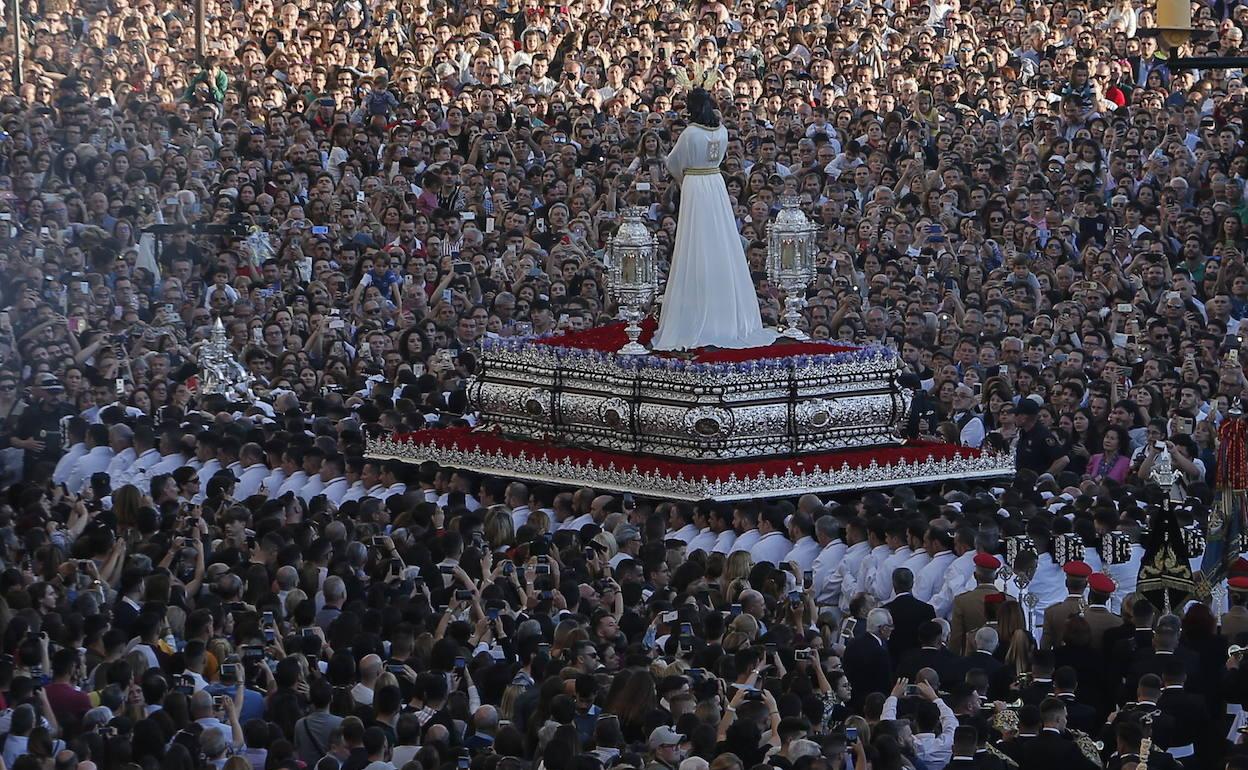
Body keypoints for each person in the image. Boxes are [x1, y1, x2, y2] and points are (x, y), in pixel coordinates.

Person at [650, 86, 776, 352]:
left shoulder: (690, 133)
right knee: (721, 241)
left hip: (696, 184)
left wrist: (683, 179)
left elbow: (674, 164)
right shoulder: (721, 130)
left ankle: (694, 319)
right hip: (715, 184)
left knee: (696, 243)